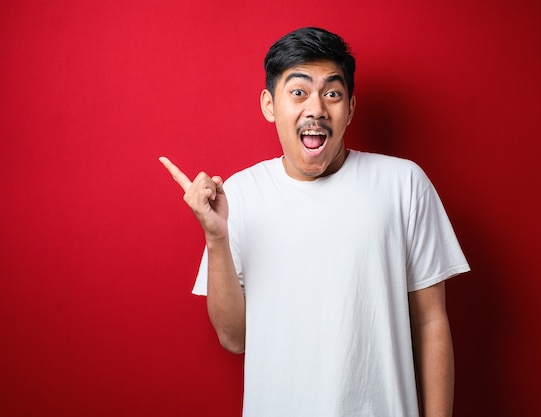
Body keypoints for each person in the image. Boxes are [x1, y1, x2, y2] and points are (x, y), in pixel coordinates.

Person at [160, 27, 469, 417]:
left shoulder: (403, 184)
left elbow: (430, 321)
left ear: (351, 108)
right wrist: (216, 239)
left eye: (332, 93)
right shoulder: (238, 195)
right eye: (299, 92)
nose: (317, 108)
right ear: (269, 105)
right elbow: (234, 339)